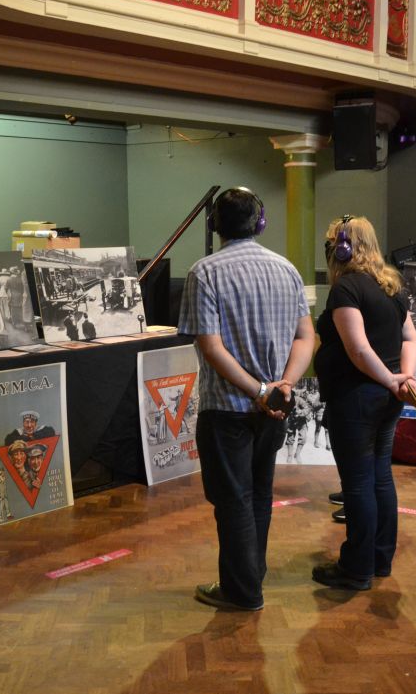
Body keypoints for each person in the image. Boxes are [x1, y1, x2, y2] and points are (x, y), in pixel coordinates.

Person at [178, 187, 315, 611]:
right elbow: (307, 337)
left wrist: (258, 391)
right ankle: (251, 577)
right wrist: (284, 386)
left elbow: (211, 348)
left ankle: (241, 592)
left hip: (228, 411)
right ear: (260, 222)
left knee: (233, 500)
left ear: (216, 226)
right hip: (274, 409)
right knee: (258, 495)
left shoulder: (204, 272)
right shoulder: (286, 269)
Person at [312, 216, 416, 591]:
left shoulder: (346, 290)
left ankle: (356, 569)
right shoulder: (390, 287)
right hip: (385, 399)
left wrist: (393, 379)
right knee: (379, 479)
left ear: (342, 248)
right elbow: (410, 341)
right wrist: (401, 377)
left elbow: (358, 350)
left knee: (358, 484)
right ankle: (379, 559)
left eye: (331, 244)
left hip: (358, 400)